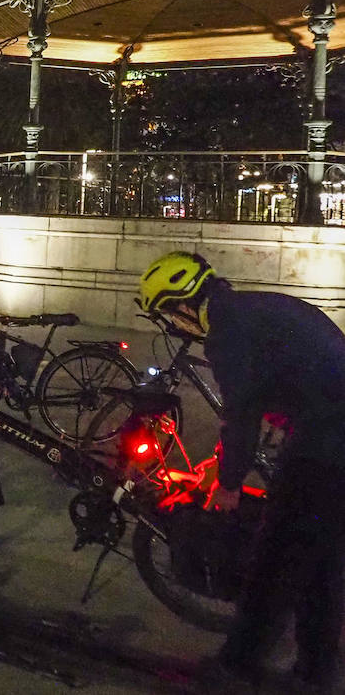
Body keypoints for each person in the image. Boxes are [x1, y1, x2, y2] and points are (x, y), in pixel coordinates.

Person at [139, 252, 345, 691]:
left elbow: (242, 412)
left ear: (182, 306)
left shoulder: (227, 331)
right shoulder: (251, 308)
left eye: (169, 316)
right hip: (329, 436)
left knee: (275, 557)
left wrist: (228, 484)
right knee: (319, 561)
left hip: (329, 443)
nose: (176, 328)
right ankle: (316, 670)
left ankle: (237, 667)